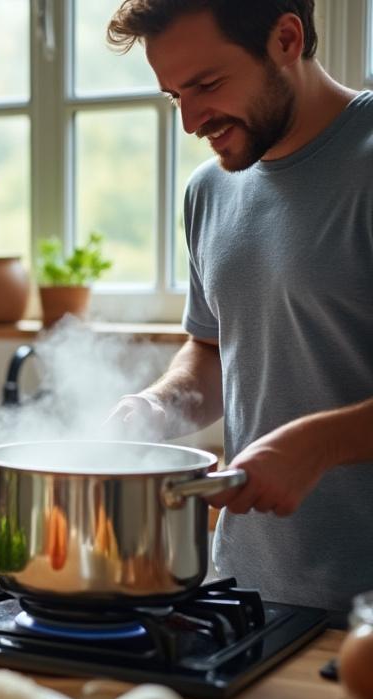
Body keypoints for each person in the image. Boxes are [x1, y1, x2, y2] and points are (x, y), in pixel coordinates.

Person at [104, 0, 373, 614]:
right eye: (174, 96)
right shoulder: (208, 190)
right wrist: (159, 405)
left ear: (286, 39)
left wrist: (319, 444)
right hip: (246, 592)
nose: (190, 121)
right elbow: (213, 350)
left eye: (206, 84)